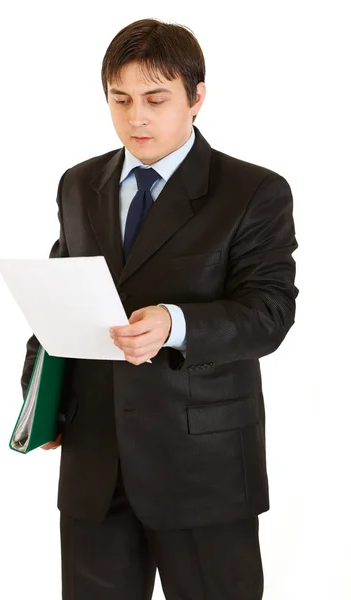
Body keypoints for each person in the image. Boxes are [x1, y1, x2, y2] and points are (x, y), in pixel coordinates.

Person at [21, 17, 298, 600]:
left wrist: (177, 323)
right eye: (119, 100)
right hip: (95, 462)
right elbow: (58, 297)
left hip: (204, 464)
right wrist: (42, 400)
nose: (135, 117)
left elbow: (270, 312)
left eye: (155, 98)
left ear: (197, 97)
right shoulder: (78, 184)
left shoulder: (253, 192)